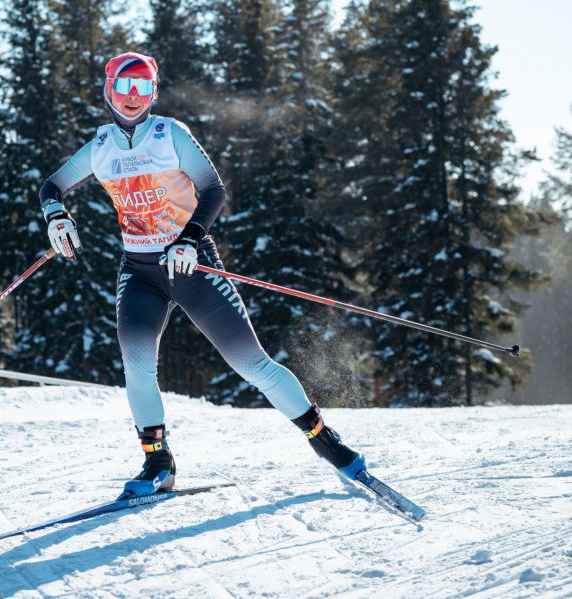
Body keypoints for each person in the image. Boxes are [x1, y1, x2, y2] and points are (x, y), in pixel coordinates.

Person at [39, 51, 365, 498]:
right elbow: (52, 185)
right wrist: (56, 215)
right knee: (137, 367)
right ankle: (158, 462)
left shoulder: (169, 134)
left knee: (252, 364)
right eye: (124, 87)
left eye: (143, 87)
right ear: (108, 90)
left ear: (153, 92)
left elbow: (213, 190)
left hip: (192, 264)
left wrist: (190, 239)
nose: (133, 96)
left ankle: (327, 442)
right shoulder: (100, 147)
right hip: (140, 272)